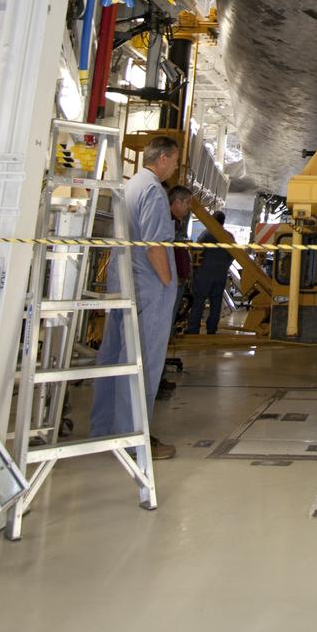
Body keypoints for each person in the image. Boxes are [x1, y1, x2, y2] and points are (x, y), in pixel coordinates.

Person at [90, 135, 180, 459]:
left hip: (122, 281)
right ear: (165, 158)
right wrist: (168, 283)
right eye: (176, 160)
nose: (176, 166)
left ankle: (105, 429)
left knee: (114, 357)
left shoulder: (130, 186)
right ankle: (134, 438)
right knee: (143, 362)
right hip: (148, 287)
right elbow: (156, 244)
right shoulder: (154, 191)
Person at [157, 184, 193, 398]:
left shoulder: (175, 222)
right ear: (177, 202)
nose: (188, 208)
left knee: (164, 332)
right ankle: (156, 380)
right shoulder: (167, 221)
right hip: (169, 282)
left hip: (175, 281)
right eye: (187, 203)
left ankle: (158, 377)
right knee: (160, 332)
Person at [186, 211, 231, 335]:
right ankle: (211, 329)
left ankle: (193, 329)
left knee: (198, 301)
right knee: (216, 303)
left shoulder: (207, 234)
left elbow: (197, 250)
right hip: (220, 275)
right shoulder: (229, 236)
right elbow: (233, 255)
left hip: (204, 275)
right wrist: (224, 266)